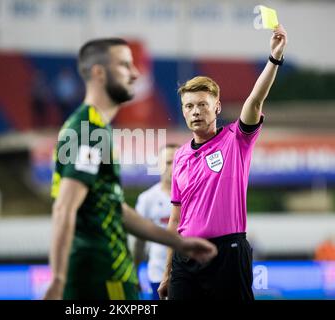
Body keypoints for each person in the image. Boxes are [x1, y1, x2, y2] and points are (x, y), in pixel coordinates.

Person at [43, 38, 217, 300]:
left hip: (113, 273)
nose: (135, 73)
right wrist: (57, 280)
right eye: (125, 65)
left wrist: (179, 243)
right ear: (99, 73)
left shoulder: (99, 129)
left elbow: (114, 207)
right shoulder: (86, 128)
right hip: (95, 276)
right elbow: (64, 207)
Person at [158, 25, 288, 300]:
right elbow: (175, 219)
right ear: (182, 111)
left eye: (202, 104)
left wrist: (274, 58)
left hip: (227, 255)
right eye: (189, 106)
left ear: (216, 107)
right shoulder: (180, 155)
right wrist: (167, 270)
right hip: (185, 257)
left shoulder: (236, 139)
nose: (195, 111)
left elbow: (255, 99)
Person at [133, 144, 179, 300]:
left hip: (190, 274)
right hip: (157, 274)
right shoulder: (147, 199)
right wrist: (135, 272)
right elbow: (139, 241)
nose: (172, 167)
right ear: (158, 166)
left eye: (176, 161)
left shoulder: (195, 197)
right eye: (167, 162)